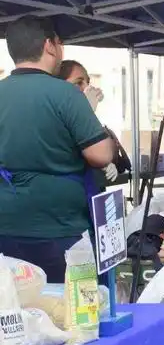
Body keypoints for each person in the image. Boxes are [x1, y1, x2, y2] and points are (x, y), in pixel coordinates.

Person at [0, 16, 114, 282]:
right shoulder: (66, 94)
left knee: (18, 310)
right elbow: (101, 154)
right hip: (59, 229)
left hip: (6, 226)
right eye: (60, 44)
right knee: (71, 312)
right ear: (50, 45)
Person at [56, 60, 129, 189]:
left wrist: (104, 165)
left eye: (87, 82)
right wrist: (86, 111)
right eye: (78, 83)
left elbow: (97, 149)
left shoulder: (87, 115)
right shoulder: (56, 117)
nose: (87, 87)